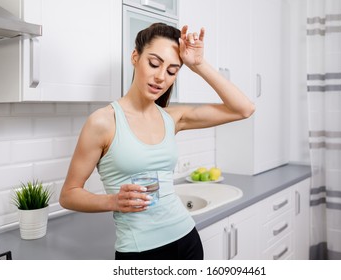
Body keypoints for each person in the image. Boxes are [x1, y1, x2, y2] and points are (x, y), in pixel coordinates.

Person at [59, 23, 255, 260]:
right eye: (154, 63)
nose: (161, 77)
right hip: (140, 251)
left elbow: (244, 109)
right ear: (135, 57)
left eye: (172, 71)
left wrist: (198, 64)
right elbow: (69, 194)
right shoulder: (103, 122)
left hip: (187, 239)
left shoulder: (172, 118)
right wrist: (113, 201)